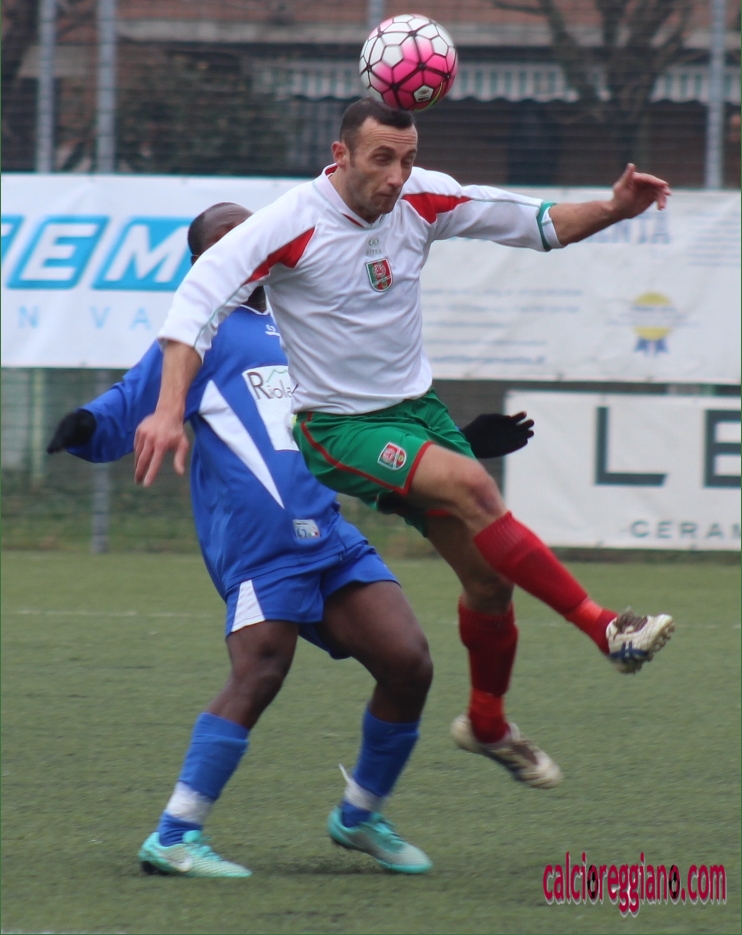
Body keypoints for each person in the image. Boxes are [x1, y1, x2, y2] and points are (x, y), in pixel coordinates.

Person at [133, 101, 675, 792]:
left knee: (489, 580)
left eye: (408, 158)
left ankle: (486, 721)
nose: (396, 176)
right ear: (341, 155)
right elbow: (193, 308)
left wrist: (615, 208)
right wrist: (168, 411)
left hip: (417, 414)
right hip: (339, 427)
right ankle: (605, 628)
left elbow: (538, 223)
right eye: (381, 158)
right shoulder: (288, 224)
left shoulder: (421, 197)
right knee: (477, 488)